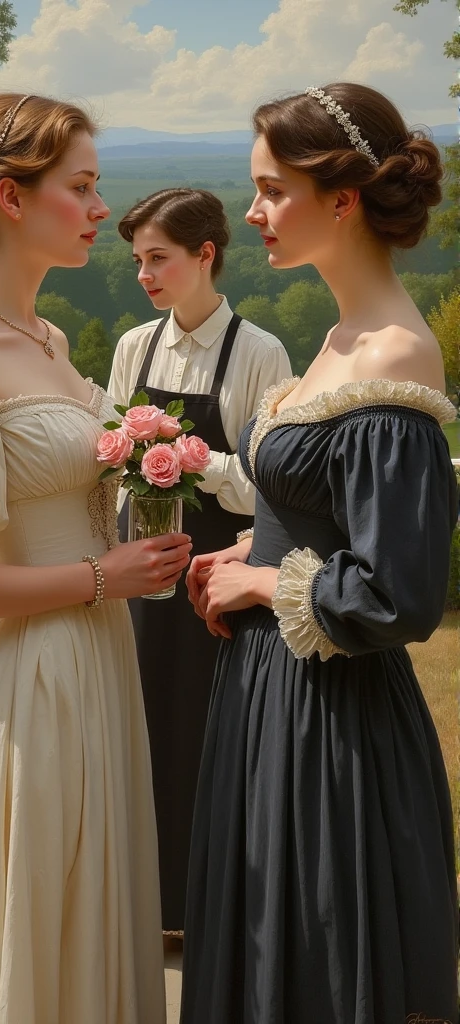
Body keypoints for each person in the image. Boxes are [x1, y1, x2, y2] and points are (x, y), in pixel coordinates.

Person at [0, 93, 193, 1024]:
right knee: (27, 911)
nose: (102, 209)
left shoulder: (47, 339)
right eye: (83, 187)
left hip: (98, 666)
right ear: (12, 198)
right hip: (29, 681)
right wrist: (104, 579)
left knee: (88, 912)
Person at [181, 83, 458, 1023]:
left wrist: (265, 577)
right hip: (269, 690)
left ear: (341, 199)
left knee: (316, 961)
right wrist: (243, 553)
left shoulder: (393, 357)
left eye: (270, 189)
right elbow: (322, 519)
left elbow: (399, 596)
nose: (251, 211)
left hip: (330, 717)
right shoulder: (337, 339)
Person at [108, 188, 291, 938]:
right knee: (135, 732)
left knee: (205, 737)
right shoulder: (133, 347)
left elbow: (266, 492)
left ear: (205, 255)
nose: (143, 275)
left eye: (158, 258)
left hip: (213, 580)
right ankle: (137, 907)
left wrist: (197, 459)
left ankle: (203, 910)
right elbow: (111, 460)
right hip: (136, 577)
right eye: (137, 261)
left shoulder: (259, 351)